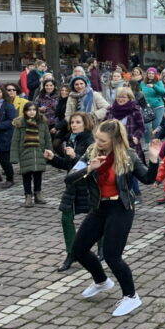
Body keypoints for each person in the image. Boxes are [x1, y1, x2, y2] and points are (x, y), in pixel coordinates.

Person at [67, 121, 162, 317]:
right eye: (97, 139)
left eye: (102, 140)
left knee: (112, 255)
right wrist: (88, 169)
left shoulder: (128, 156)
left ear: (114, 140)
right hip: (99, 207)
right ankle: (101, 281)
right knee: (78, 249)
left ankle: (131, 296)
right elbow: (69, 178)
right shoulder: (91, 151)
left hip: (121, 207)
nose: (98, 143)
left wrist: (154, 160)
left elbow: (148, 179)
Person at [43, 112, 96, 271]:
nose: (74, 125)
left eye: (78, 122)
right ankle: (72, 253)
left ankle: (101, 249)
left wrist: (74, 156)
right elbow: (68, 166)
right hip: (72, 186)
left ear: (85, 124)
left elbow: (88, 166)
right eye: (72, 122)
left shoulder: (91, 142)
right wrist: (52, 158)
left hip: (88, 186)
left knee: (98, 219)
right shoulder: (70, 140)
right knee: (66, 218)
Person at [10, 102, 52, 207]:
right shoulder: (20, 124)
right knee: (26, 175)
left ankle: (38, 194)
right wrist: (14, 157)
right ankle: (28, 196)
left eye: (34, 110)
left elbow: (47, 138)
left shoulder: (42, 122)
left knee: (38, 174)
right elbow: (15, 141)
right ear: (25, 112)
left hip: (39, 152)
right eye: (29, 110)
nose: (32, 112)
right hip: (25, 153)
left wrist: (49, 151)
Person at [104, 87, 145, 157]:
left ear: (129, 98)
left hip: (129, 144)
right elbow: (104, 125)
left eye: (123, 97)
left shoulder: (135, 110)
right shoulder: (111, 109)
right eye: (118, 97)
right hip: (113, 144)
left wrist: (137, 137)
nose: (120, 99)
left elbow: (141, 127)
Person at [141, 68, 165, 144]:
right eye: (149, 73)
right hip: (147, 107)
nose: (150, 75)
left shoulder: (159, 82)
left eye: (152, 73)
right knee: (146, 126)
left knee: (156, 126)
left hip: (158, 106)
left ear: (155, 75)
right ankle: (147, 143)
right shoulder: (142, 83)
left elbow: (163, 91)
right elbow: (140, 93)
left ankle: (157, 142)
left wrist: (154, 86)